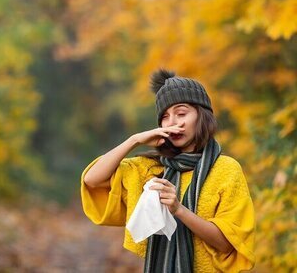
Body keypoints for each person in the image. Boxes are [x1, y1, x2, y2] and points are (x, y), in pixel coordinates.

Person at [80, 69, 255, 272]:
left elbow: (227, 243)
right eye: (165, 117)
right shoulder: (150, 169)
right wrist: (134, 140)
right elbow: (92, 180)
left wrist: (179, 210)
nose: (172, 122)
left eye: (181, 113)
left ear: (202, 116)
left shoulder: (226, 169)